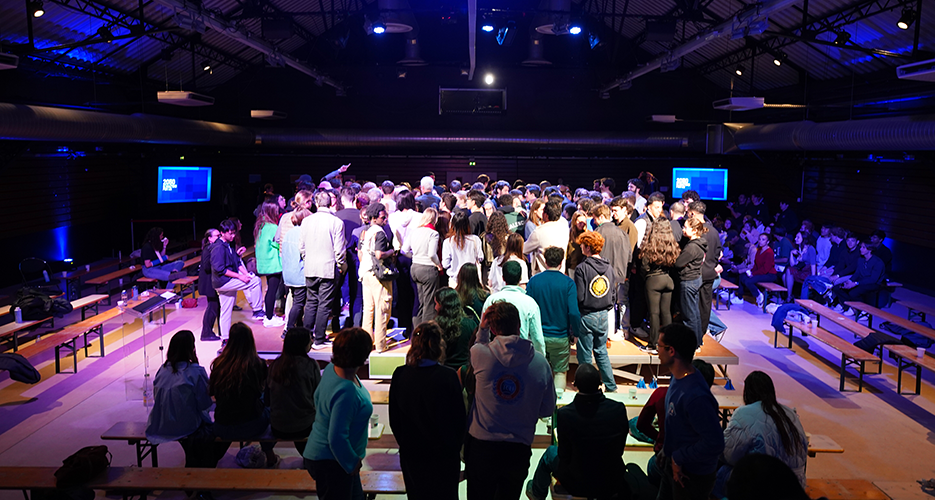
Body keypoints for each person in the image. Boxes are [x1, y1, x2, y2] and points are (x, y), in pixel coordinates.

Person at [466, 301, 555, 500]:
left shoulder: (481, 355)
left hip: (482, 447)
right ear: (518, 326)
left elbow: (477, 344)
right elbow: (547, 409)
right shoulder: (540, 363)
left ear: (492, 328)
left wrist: (482, 328)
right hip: (518, 449)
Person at [526, 364, 631, 500]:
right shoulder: (618, 409)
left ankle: (537, 494)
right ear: (600, 383)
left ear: (575, 385)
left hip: (576, 482)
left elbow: (564, 455)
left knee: (550, 453)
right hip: (611, 479)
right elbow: (620, 449)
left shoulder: (565, 414)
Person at [389, 322, 466, 500]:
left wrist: (406, 444)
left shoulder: (400, 374)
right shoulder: (448, 376)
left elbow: (394, 418)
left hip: (412, 454)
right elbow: (459, 420)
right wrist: (454, 448)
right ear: (439, 345)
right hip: (443, 456)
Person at [303, 328, 374, 500]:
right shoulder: (346, 392)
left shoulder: (331, 370)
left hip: (336, 459)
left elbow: (318, 399)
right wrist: (352, 463)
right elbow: (336, 438)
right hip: (334, 462)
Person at [656, 323, 724, 500]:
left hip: (691, 476)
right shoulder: (678, 376)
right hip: (674, 465)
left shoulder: (695, 396)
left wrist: (679, 457)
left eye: (659, 346)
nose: (656, 350)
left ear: (671, 351)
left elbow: (715, 442)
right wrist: (668, 450)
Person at [714, 371, 808, 498]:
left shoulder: (744, 414)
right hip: (795, 484)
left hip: (764, 486)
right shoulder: (789, 413)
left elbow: (729, 454)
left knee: (718, 470)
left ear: (747, 392)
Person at [146, 330, 225, 469]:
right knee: (217, 431)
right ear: (191, 348)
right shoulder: (195, 371)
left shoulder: (162, 370)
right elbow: (204, 404)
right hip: (187, 425)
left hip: (160, 422)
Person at [210, 322, 278, 467]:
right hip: (252, 424)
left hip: (222, 424)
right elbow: (264, 394)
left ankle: (213, 458)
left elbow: (213, 393)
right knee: (269, 409)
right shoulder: (257, 364)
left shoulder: (218, 364)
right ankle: (270, 455)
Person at [525, 246, 580, 396]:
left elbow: (528, 309)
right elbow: (574, 312)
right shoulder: (568, 283)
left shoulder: (534, 281)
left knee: (538, 372)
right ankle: (557, 406)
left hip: (538, 336)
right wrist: (575, 332)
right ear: (561, 262)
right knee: (560, 372)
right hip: (560, 337)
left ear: (545, 261)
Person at [300, 191, 347, 349]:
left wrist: (308, 260)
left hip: (310, 268)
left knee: (311, 303)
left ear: (316, 203)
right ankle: (319, 339)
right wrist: (341, 266)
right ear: (331, 203)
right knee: (324, 305)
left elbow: (302, 247)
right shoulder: (336, 222)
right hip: (327, 268)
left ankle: (306, 338)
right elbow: (340, 251)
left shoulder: (306, 221)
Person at [573, 231, 617, 393]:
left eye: (582, 245)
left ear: (588, 247)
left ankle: (586, 388)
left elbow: (580, 296)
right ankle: (611, 386)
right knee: (601, 352)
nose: (581, 248)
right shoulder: (609, 267)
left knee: (584, 355)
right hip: (604, 315)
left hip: (587, 315)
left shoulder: (582, 268)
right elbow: (613, 292)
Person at [268, 327, 322, 455]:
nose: (312, 342)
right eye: (310, 340)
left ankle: (268, 453)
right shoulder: (310, 365)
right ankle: (308, 458)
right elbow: (317, 395)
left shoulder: (275, 365)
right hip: (304, 426)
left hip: (277, 425)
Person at [212, 220, 264, 343]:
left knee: (225, 311)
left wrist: (245, 271)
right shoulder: (218, 247)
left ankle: (225, 338)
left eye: (234, 233)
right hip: (223, 282)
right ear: (222, 233)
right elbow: (220, 269)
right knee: (255, 281)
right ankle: (257, 310)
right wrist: (240, 277)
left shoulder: (228, 245)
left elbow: (235, 262)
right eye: (230, 233)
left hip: (224, 282)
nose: (233, 236)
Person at [481, 261, 545, 356]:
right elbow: (537, 338)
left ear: (503, 278)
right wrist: (540, 358)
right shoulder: (530, 303)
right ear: (520, 279)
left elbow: (483, 329)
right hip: (522, 355)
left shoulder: (491, 300)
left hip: (495, 355)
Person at [359, 203, 395, 352]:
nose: (385, 219)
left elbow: (360, 254)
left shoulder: (365, 232)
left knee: (368, 310)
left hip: (365, 273)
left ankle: (367, 343)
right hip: (378, 275)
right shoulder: (379, 233)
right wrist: (391, 252)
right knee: (382, 309)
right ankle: (380, 345)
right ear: (374, 218)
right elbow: (379, 254)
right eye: (382, 216)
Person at [640, 218, 679, 353]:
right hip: (669, 281)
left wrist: (646, 276)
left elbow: (644, 267)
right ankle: (668, 344)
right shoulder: (672, 244)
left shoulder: (650, 245)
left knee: (654, 314)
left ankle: (653, 345)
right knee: (667, 313)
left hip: (653, 281)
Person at [402, 208, 443, 327]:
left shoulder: (414, 231)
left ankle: (416, 332)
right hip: (428, 269)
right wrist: (438, 264)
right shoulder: (433, 233)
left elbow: (404, 250)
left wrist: (414, 257)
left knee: (419, 302)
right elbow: (431, 254)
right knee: (429, 303)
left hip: (415, 268)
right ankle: (427, 333)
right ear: (434, 219)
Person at [830, 239, 885, 316]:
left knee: (854, 292)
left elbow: (873, 279)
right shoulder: (860, 260)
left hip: (873, 283)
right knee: (837, 288)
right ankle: (849, 306)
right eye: (860, 247)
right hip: (861, 280)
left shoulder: (878, 262)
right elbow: (857, 273)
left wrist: (856, 283)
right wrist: (849, 281)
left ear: (870, 250)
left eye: (863, 247)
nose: (860, 249)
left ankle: (864, 310)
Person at [675, 218, 708, 347]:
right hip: (696, 279)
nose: (683, 229)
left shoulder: (692, 247)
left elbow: (678, 263)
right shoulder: (701, 244)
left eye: (685, 227)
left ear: (694, 231)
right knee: (694, 313)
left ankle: (692, 345)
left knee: (689, 316)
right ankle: (698, 341)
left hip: (688, 281)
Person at [255, 202, 286, 328]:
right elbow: (276, 243)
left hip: (265, 263)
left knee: (270, 289)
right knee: (271, 291)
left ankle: (269, 315)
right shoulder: (272, 227)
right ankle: (268, 318)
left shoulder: (260, 226)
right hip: (272, 263)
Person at [435, 286, 479, 373]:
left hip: (444, 372)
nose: (435, 308)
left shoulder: (436, 327)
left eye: (436, 304)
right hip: (466, 372)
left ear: (442, 305)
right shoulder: (471, 324)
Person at [281, 208, 312, 332]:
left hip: (288, 274)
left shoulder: (289, 233)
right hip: (299, 273)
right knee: (298, 304)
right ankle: (288, 329)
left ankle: (297, 327)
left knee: (296, 301)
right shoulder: (303, 234)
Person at [524, 201, 570, 275]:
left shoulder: (539, 232)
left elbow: (524, 249)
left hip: (542, 276)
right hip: (560, 274)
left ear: (545, 215)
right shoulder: (565, 229)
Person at [442, 209, 483, 288]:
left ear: (452, 225)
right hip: (472, 280)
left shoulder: (448, 242)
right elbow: (480, 257)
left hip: (455, 281)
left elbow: (445, 264)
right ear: (467, 224)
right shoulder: (475, 239)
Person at [734, 233, 777, 307]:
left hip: (769, 274)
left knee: (748, 281)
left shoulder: (769, 252)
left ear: (768, 242)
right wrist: (751, 272)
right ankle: (740, 298)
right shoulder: (759, 250)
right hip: (760, 272)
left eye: (763, 239)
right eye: (759, 239)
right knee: (742, 276)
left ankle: (758, 295)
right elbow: (756, 264)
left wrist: (753, 274)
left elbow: (765, 269)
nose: (760, 241)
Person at [198, 229, 221, 341]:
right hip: (208, 283)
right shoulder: (208, 249)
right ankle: (206, 333)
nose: (219, 237)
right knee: (212, 307)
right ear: (210, 238)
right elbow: (207, 266)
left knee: (216, 306)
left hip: (212, 282)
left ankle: (217, 330)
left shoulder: (213, 248)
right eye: (217, 235)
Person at [784, 230, 817, 302]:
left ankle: (800, 299)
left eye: (798, 237)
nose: (795, 239)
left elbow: (813, 265)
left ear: (804, 239)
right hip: (801, 270)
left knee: (788, 271)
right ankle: (789, 297)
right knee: (788, 270)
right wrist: (791, 254)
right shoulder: (799, 248)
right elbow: (793, 265)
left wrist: (813, 278)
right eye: (796, 237)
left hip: (808, 272)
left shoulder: (810, 249)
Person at [565, 210, 588, 275]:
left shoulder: (588, 235)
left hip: (584, 268)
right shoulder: (569, 234)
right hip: (572, 267)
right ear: (574, 222)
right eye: (579, 221)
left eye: (583, 222)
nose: (582, 224)